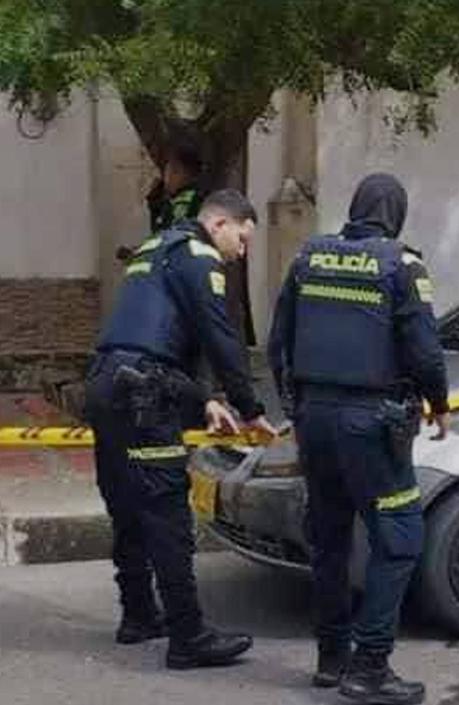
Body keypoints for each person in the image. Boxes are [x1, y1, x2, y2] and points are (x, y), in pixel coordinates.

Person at [268, 173, 450, 705]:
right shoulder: (402, 264)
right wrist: (440, 404)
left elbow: (279, 342)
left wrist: (295, 409)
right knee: (399, 537)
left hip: (315, 422)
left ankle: (331, 659)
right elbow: (424, 351)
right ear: (396, 214)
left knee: (328, 538)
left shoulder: (307, 258)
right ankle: (371, 668)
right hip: (371, 425)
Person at [84, 189, 277, 669]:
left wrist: (206, 398)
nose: (243, 251)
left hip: (107, 383)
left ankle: (139, 616)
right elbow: (218, 334)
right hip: (145, 397)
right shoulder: (200, 257)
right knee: (167, 513)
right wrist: (250, 408)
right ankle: (188, 636)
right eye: (243, 237)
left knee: (127, 506)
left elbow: (172, 335)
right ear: (219, 225)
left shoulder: (157, 247)